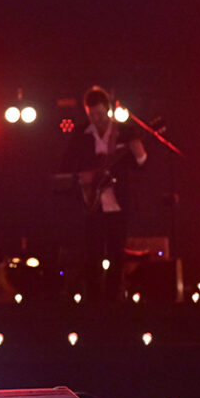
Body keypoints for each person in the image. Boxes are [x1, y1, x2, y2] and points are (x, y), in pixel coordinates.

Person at [60, 86, 147, 300]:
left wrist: (140, 155)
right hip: (92, 204)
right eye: (91, 114)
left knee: (117, 254)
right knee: (92, 255)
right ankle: (93, 304)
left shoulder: (123, 132)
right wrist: (83, 175)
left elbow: (140, 166)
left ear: (107, 110)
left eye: (99, 113)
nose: (96, 119)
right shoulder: (81, 135)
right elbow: (65, 167)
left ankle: (113, 302)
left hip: (118, 203)